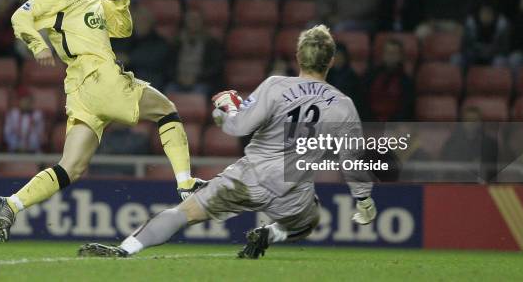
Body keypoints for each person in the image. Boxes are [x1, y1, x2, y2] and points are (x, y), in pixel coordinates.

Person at [78, 25, 377, 259]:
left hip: (248, 177)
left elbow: (238, 126)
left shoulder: (276, 85)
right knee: (308, 220)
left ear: (298, 57)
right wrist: (363, 201)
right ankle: (269, 235)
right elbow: (353, 161)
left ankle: (126, 249)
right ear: (332, 61)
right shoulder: (343, 104)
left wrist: (226, 108)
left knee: (182, 215)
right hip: (292, 190)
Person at [0, 0, 204, 242]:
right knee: (166, 110)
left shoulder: (92, 0)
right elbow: (19, 15)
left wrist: (119, 4)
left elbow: (122, 30)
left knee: (72, 168)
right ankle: (186, 185)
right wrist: (37, 44)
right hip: (99, 77)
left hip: (81, 90)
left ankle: (11, 203)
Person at [3, 87, 46, 153]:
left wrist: (30, 145)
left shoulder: (37, 115)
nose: (26, 102)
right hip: (15, 150)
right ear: (19, 101)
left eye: (29, 100)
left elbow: (40, 135)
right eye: (24, 100)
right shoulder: (12, 114)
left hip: (33, 151)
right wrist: (16, 145)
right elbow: (7, 134)